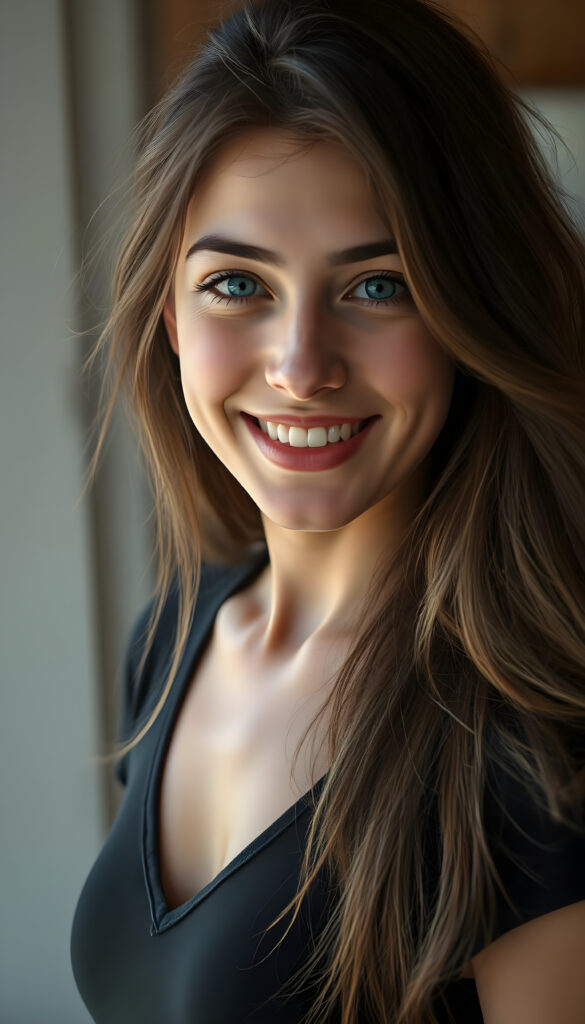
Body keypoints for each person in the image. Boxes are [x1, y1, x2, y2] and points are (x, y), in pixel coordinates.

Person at [70, 1, 585, 1021]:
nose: (301, 366)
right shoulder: (170, 640)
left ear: (471, 305)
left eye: (379, 285)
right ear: (168, 313)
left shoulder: (538, 733)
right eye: (236, 283)